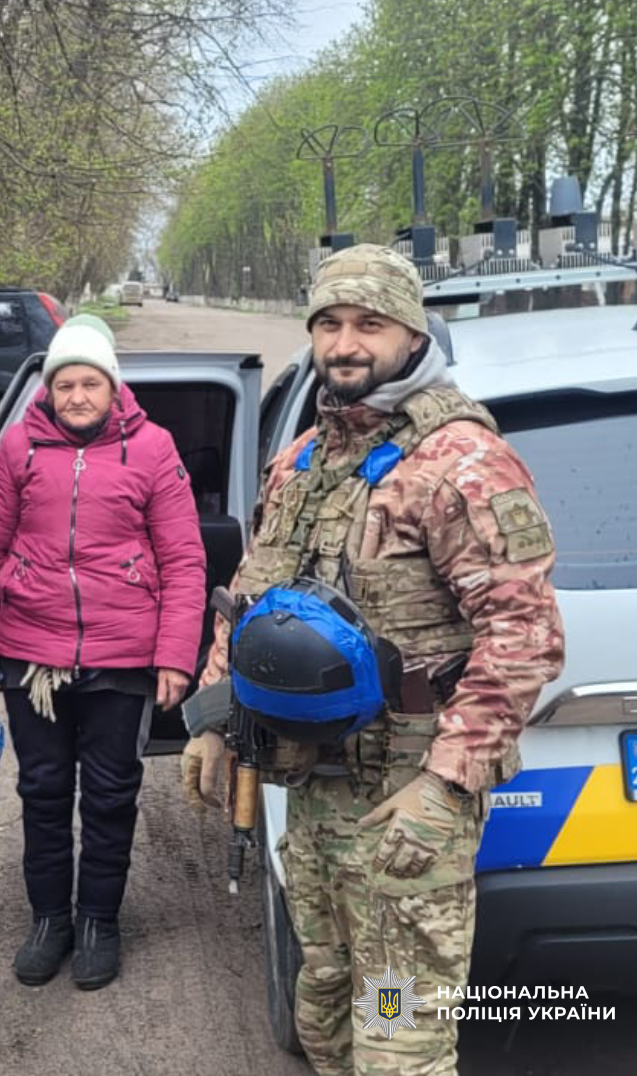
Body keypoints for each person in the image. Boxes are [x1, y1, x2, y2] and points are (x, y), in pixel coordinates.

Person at [182, 244, 564, 1075]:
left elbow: (525, 632)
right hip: (312, 792)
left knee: (397, 1036)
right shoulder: (304, 460)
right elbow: (249, 597)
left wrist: (446, 784)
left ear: (411, 333)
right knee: (324, 1009)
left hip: (405, 804)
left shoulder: (458, 462)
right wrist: (213, 719)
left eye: (369, 324)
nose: (345, 343)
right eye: (329, 323)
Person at [0, 316, 206, 990]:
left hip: (122, 658)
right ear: (48, 389)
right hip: (30, 655)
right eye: (64, 384)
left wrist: (174, 655)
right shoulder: (17, 447)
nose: (76, 396)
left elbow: (184, 560)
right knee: (42, 792)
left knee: (109, 794)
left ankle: (98, 919)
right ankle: (50, 920)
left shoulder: (152, 448)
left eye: (89, 383)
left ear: (112, 387)